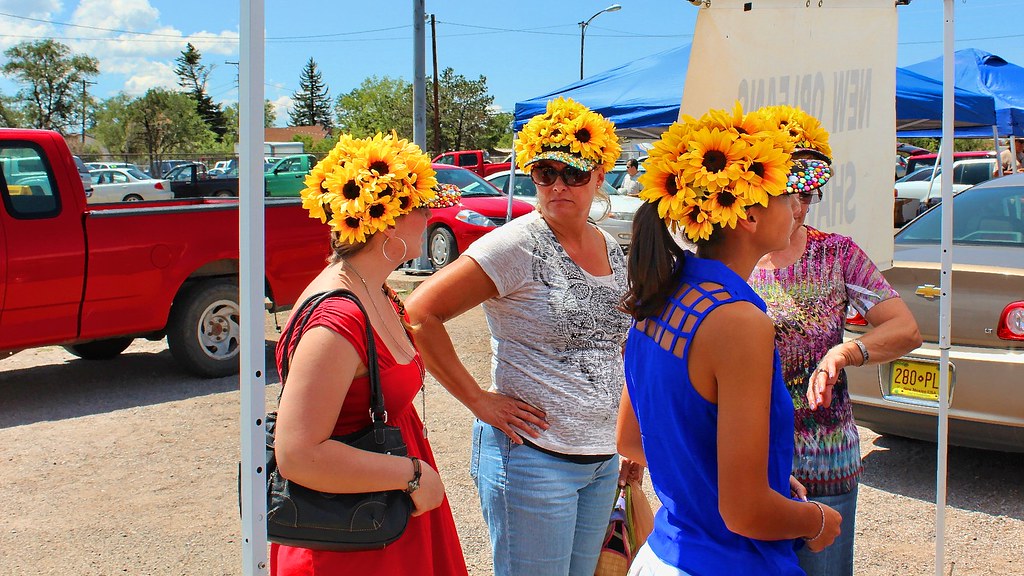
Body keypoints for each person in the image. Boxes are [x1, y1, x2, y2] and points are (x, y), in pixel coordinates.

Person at [406, 97, 642, 576]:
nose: (557, 185)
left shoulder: (609, 244)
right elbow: (419, 313)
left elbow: (621, 346)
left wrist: (628, 443)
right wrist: (478, 400)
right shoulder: (516, 244)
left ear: (600, 176)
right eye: (544, 173)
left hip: (599, 462)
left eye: (573, 173)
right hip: (533, 461)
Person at [617, 103, 843, 575]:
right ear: (747, 217)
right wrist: (817, 519)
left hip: (665, 554)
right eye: (787, 194)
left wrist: (756, 481)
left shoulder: (662, 293)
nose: (798, 208)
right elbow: (744, 513)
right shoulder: (738, 320)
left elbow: (633, 440)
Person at [270, 132, 469, 576]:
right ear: (388, 220)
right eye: (422, 207)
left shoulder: (372, 287)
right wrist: (412, 475)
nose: (431, 217)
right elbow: (299, 454)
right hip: (352, 539)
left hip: (383, 519)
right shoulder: (336, 318)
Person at [749, 107, 922, 576]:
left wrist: (843, 352)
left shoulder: (837, 253)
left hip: (824, 455)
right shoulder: (735, 259)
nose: (800, 207)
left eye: (809, 194)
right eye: (790, 192)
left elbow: (905, 328)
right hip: (748, 455)